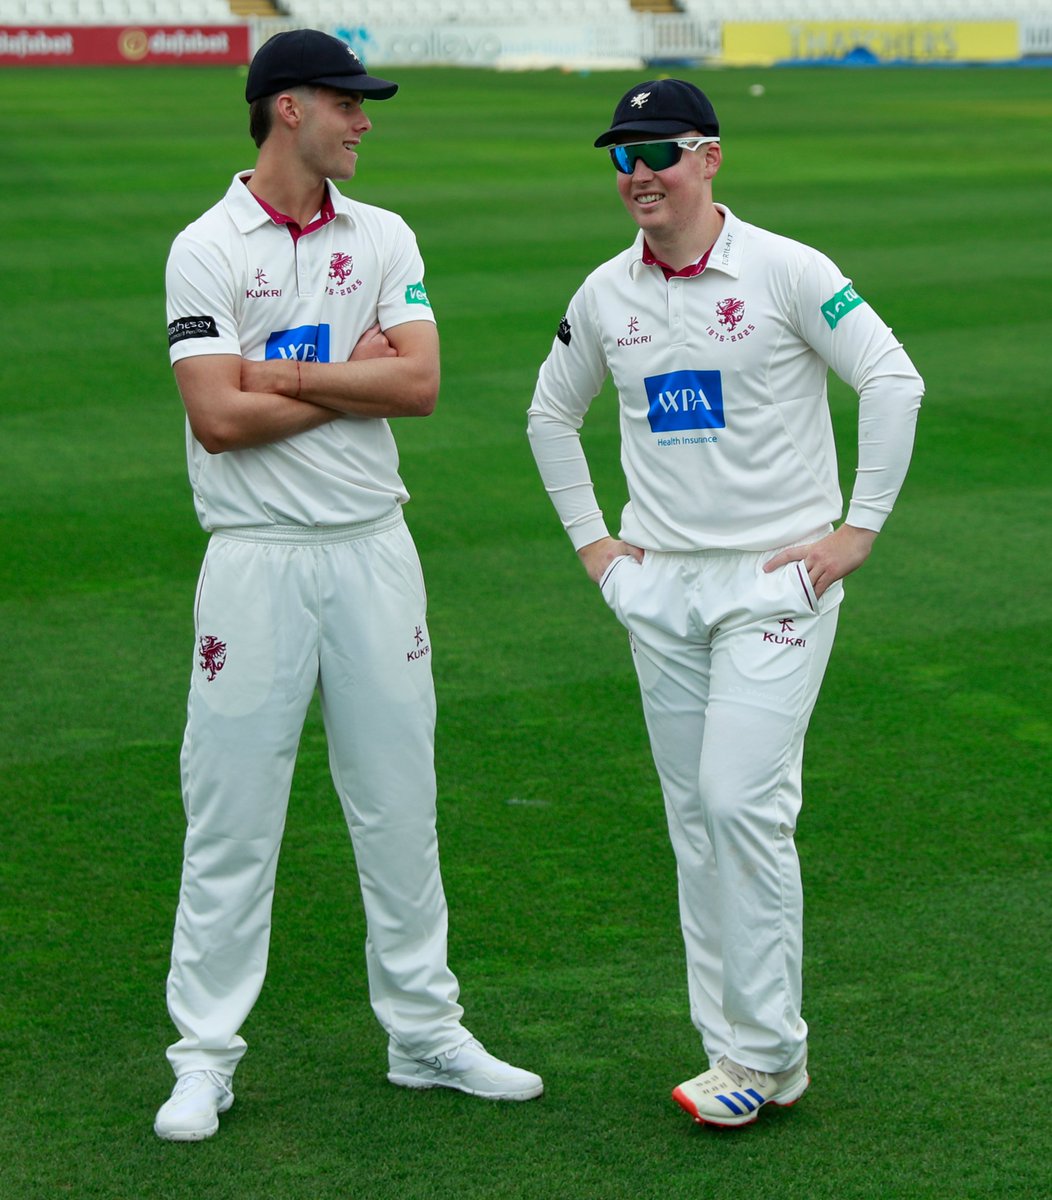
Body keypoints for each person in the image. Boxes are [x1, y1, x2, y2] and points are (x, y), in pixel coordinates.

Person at [155, 28, 542, 1142]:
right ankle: (205, 1056)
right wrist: (343, 379)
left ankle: (423, 1034)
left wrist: (285, 370)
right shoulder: (205, 246)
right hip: (256, 559)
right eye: (346, 104)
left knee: (397, 800)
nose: (364, 121)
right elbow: (218, 421)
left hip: (373, 549)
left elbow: (416, 385)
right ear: (287, 110)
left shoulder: (384, 232)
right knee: (230, 811)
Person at [527, 79, 922, 1128]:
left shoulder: (787, 270)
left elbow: (891, 380)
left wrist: (855, 532)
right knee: (695, 824)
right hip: (658, 587)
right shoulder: (604, 293)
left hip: (773, 582)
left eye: (656, 151)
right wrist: (599, 554)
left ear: (707, 157)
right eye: (619, 156)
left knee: (741, 800)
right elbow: (546, 416)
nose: (637, 173)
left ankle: (768, 1053)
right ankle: (734, 1054)